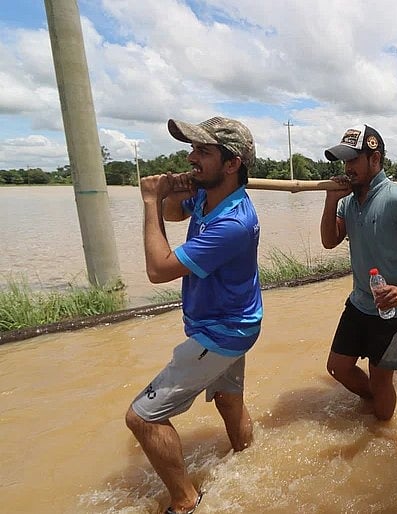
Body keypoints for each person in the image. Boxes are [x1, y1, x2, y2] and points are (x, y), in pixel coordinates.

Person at [125, 117, 262, 514]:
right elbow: (173, 215)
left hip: (220, 332)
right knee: (227, 400)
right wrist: (170, 193)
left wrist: (149, 200)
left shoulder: (233, 223)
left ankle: (186, 500)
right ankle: (248, 462)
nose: (191, 157)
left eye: (203, 151)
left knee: (142, 418)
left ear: (232, 163)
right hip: (238, 321)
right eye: (193, 150)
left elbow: (158, 270)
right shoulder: (207, 196)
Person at [320, 125, 397, 420]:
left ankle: (383, 433)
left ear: (374, 159)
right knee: (338, 367)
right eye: (344, 162)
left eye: (353, 160)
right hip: (360, 301)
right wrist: (330, 199)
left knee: (381, 379)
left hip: (394, 309)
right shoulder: (348, 202)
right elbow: (328, 241)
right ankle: (373, 403)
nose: (347, 168)